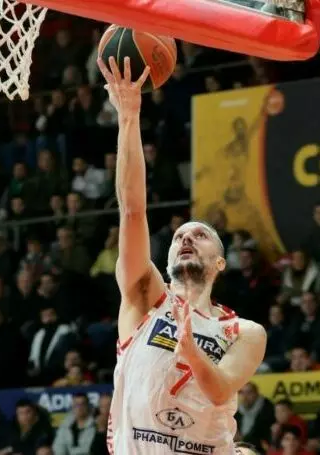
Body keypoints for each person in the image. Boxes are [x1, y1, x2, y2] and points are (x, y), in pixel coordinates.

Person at [97, 56, 267, 455]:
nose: (187, 237)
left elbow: (221, 389)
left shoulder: (245, 332)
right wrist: (128, 117)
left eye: (200, 235)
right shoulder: (146, 298)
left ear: (220, 263)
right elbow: (132, 210)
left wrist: (192, 352)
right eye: (178, 237)